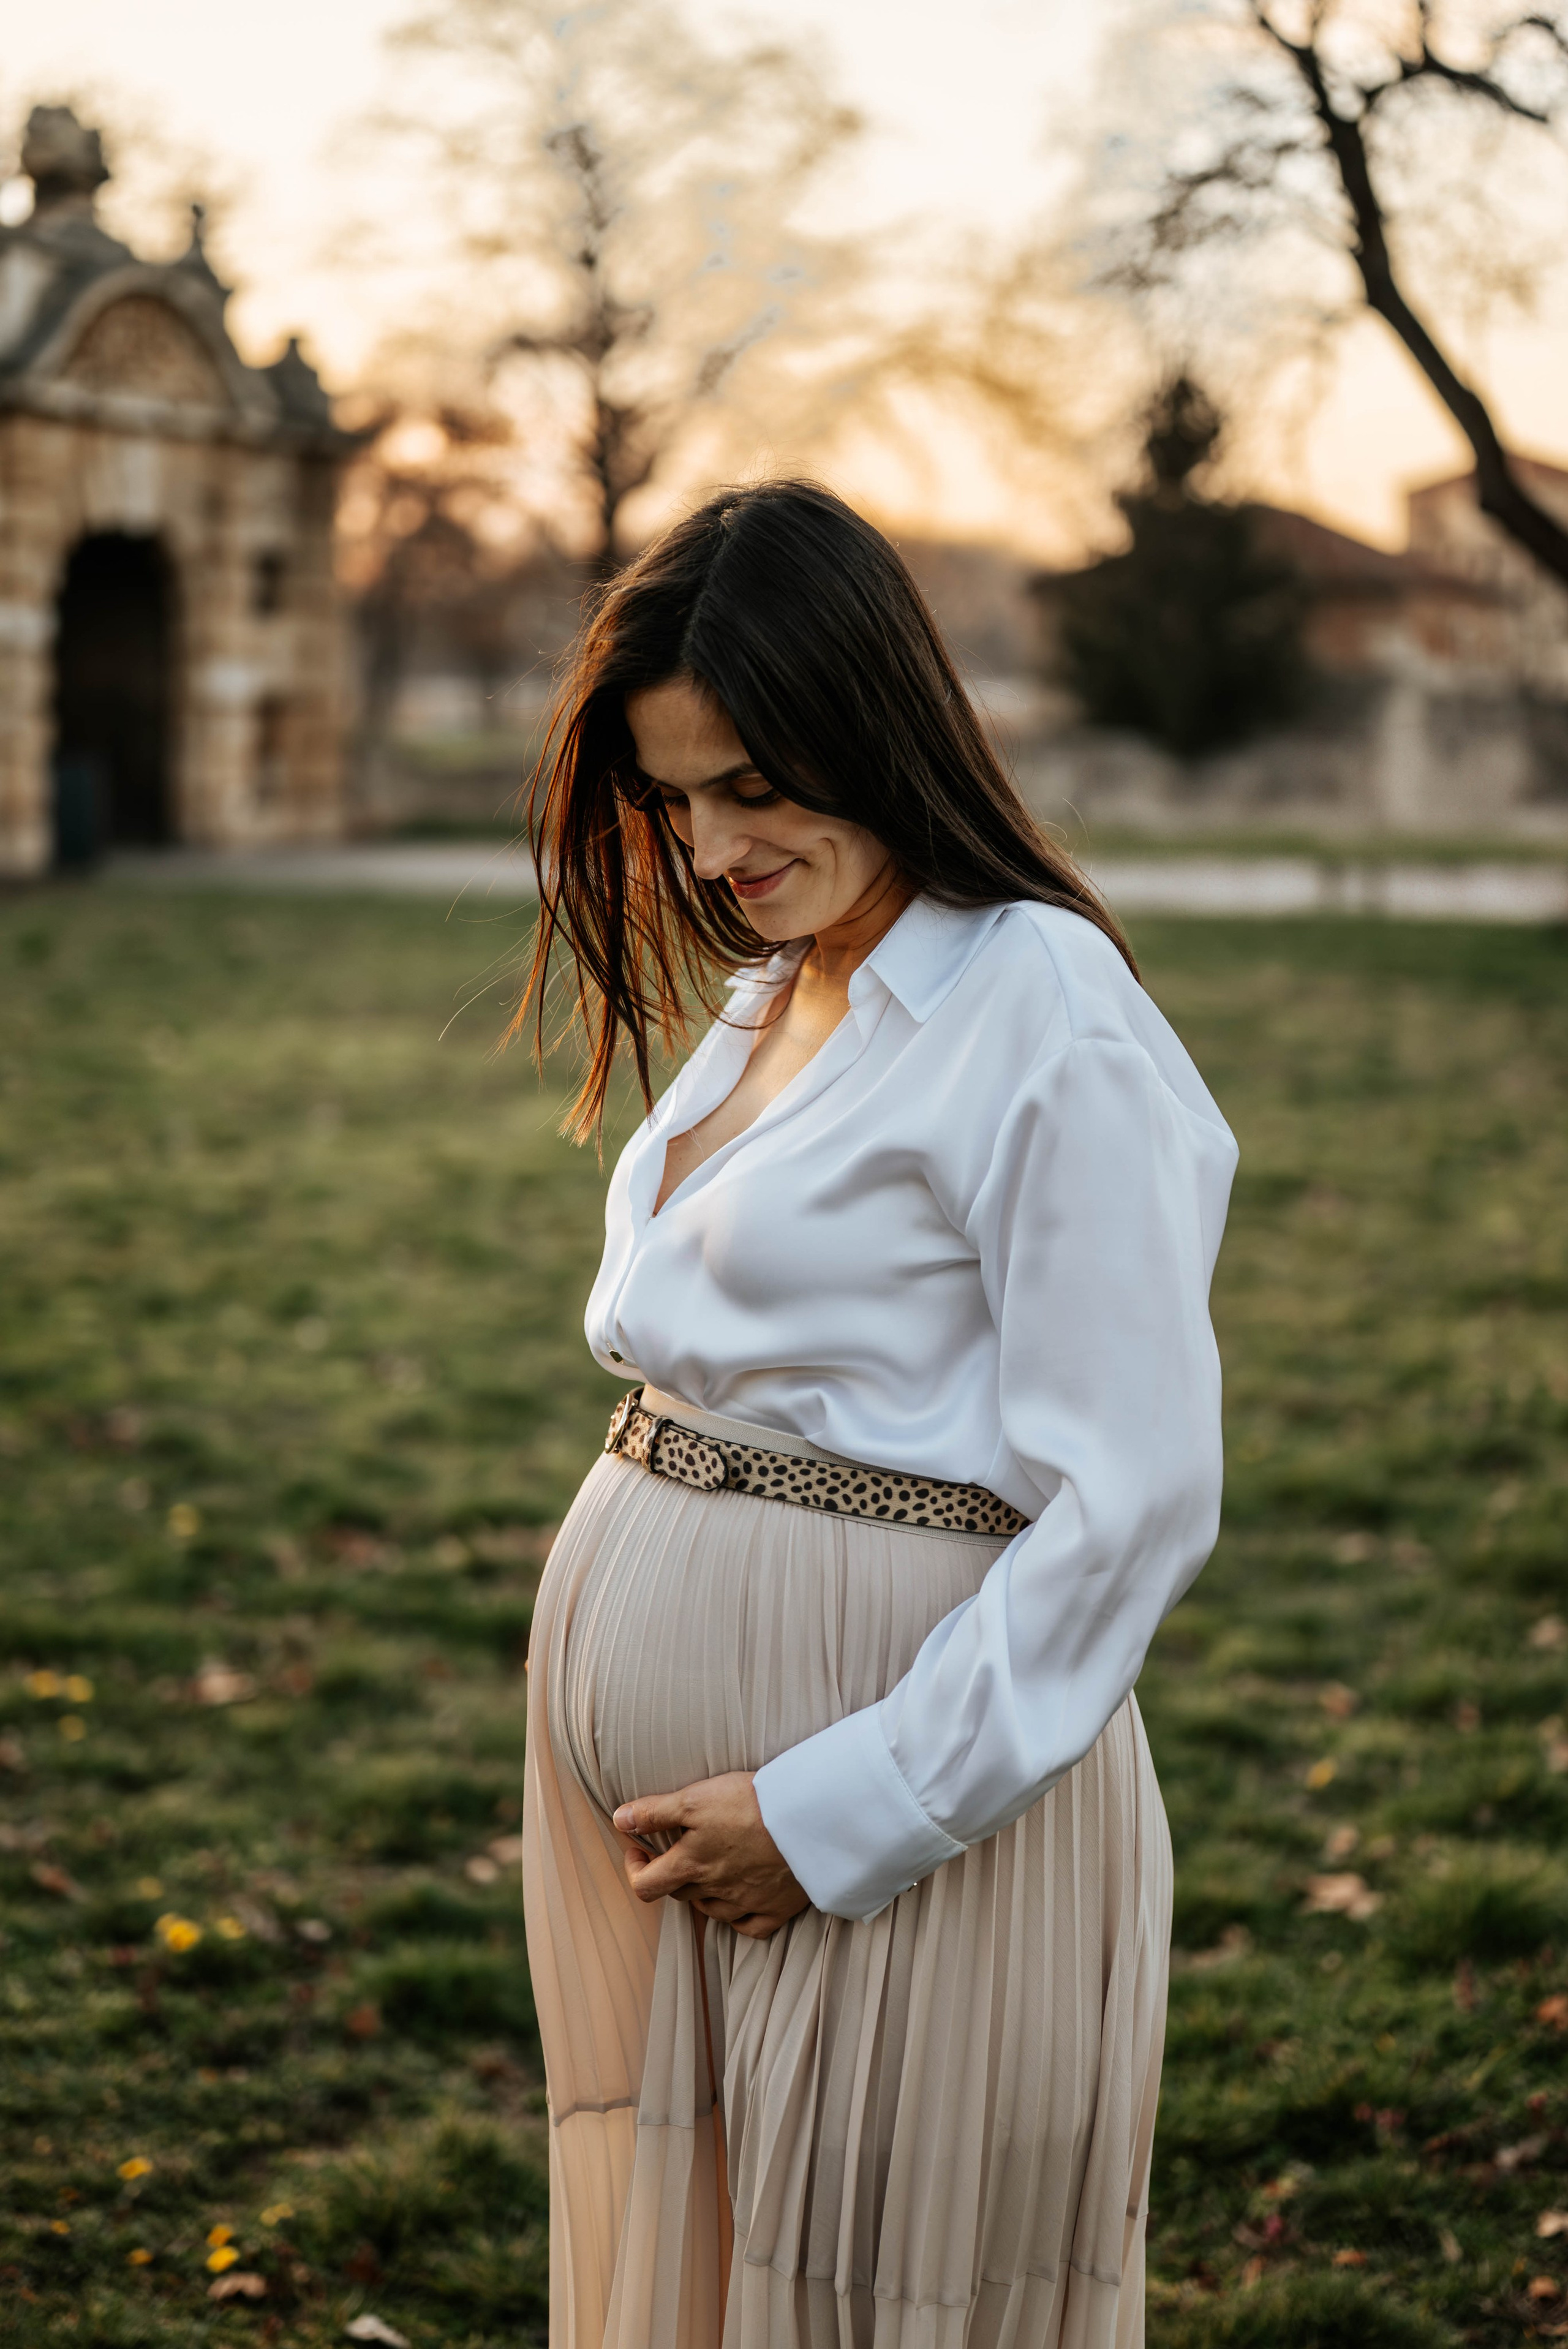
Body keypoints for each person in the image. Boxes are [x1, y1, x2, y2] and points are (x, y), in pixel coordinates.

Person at [517, 480, 1237, 2349]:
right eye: (677, 799)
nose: (709, 849)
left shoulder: (1041, 1010)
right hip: (683, 1815)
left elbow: (1133, 1501)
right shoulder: (781, 990)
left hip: (893, 1815)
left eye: (754, 785)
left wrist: (847, 1807)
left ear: (873, 726)